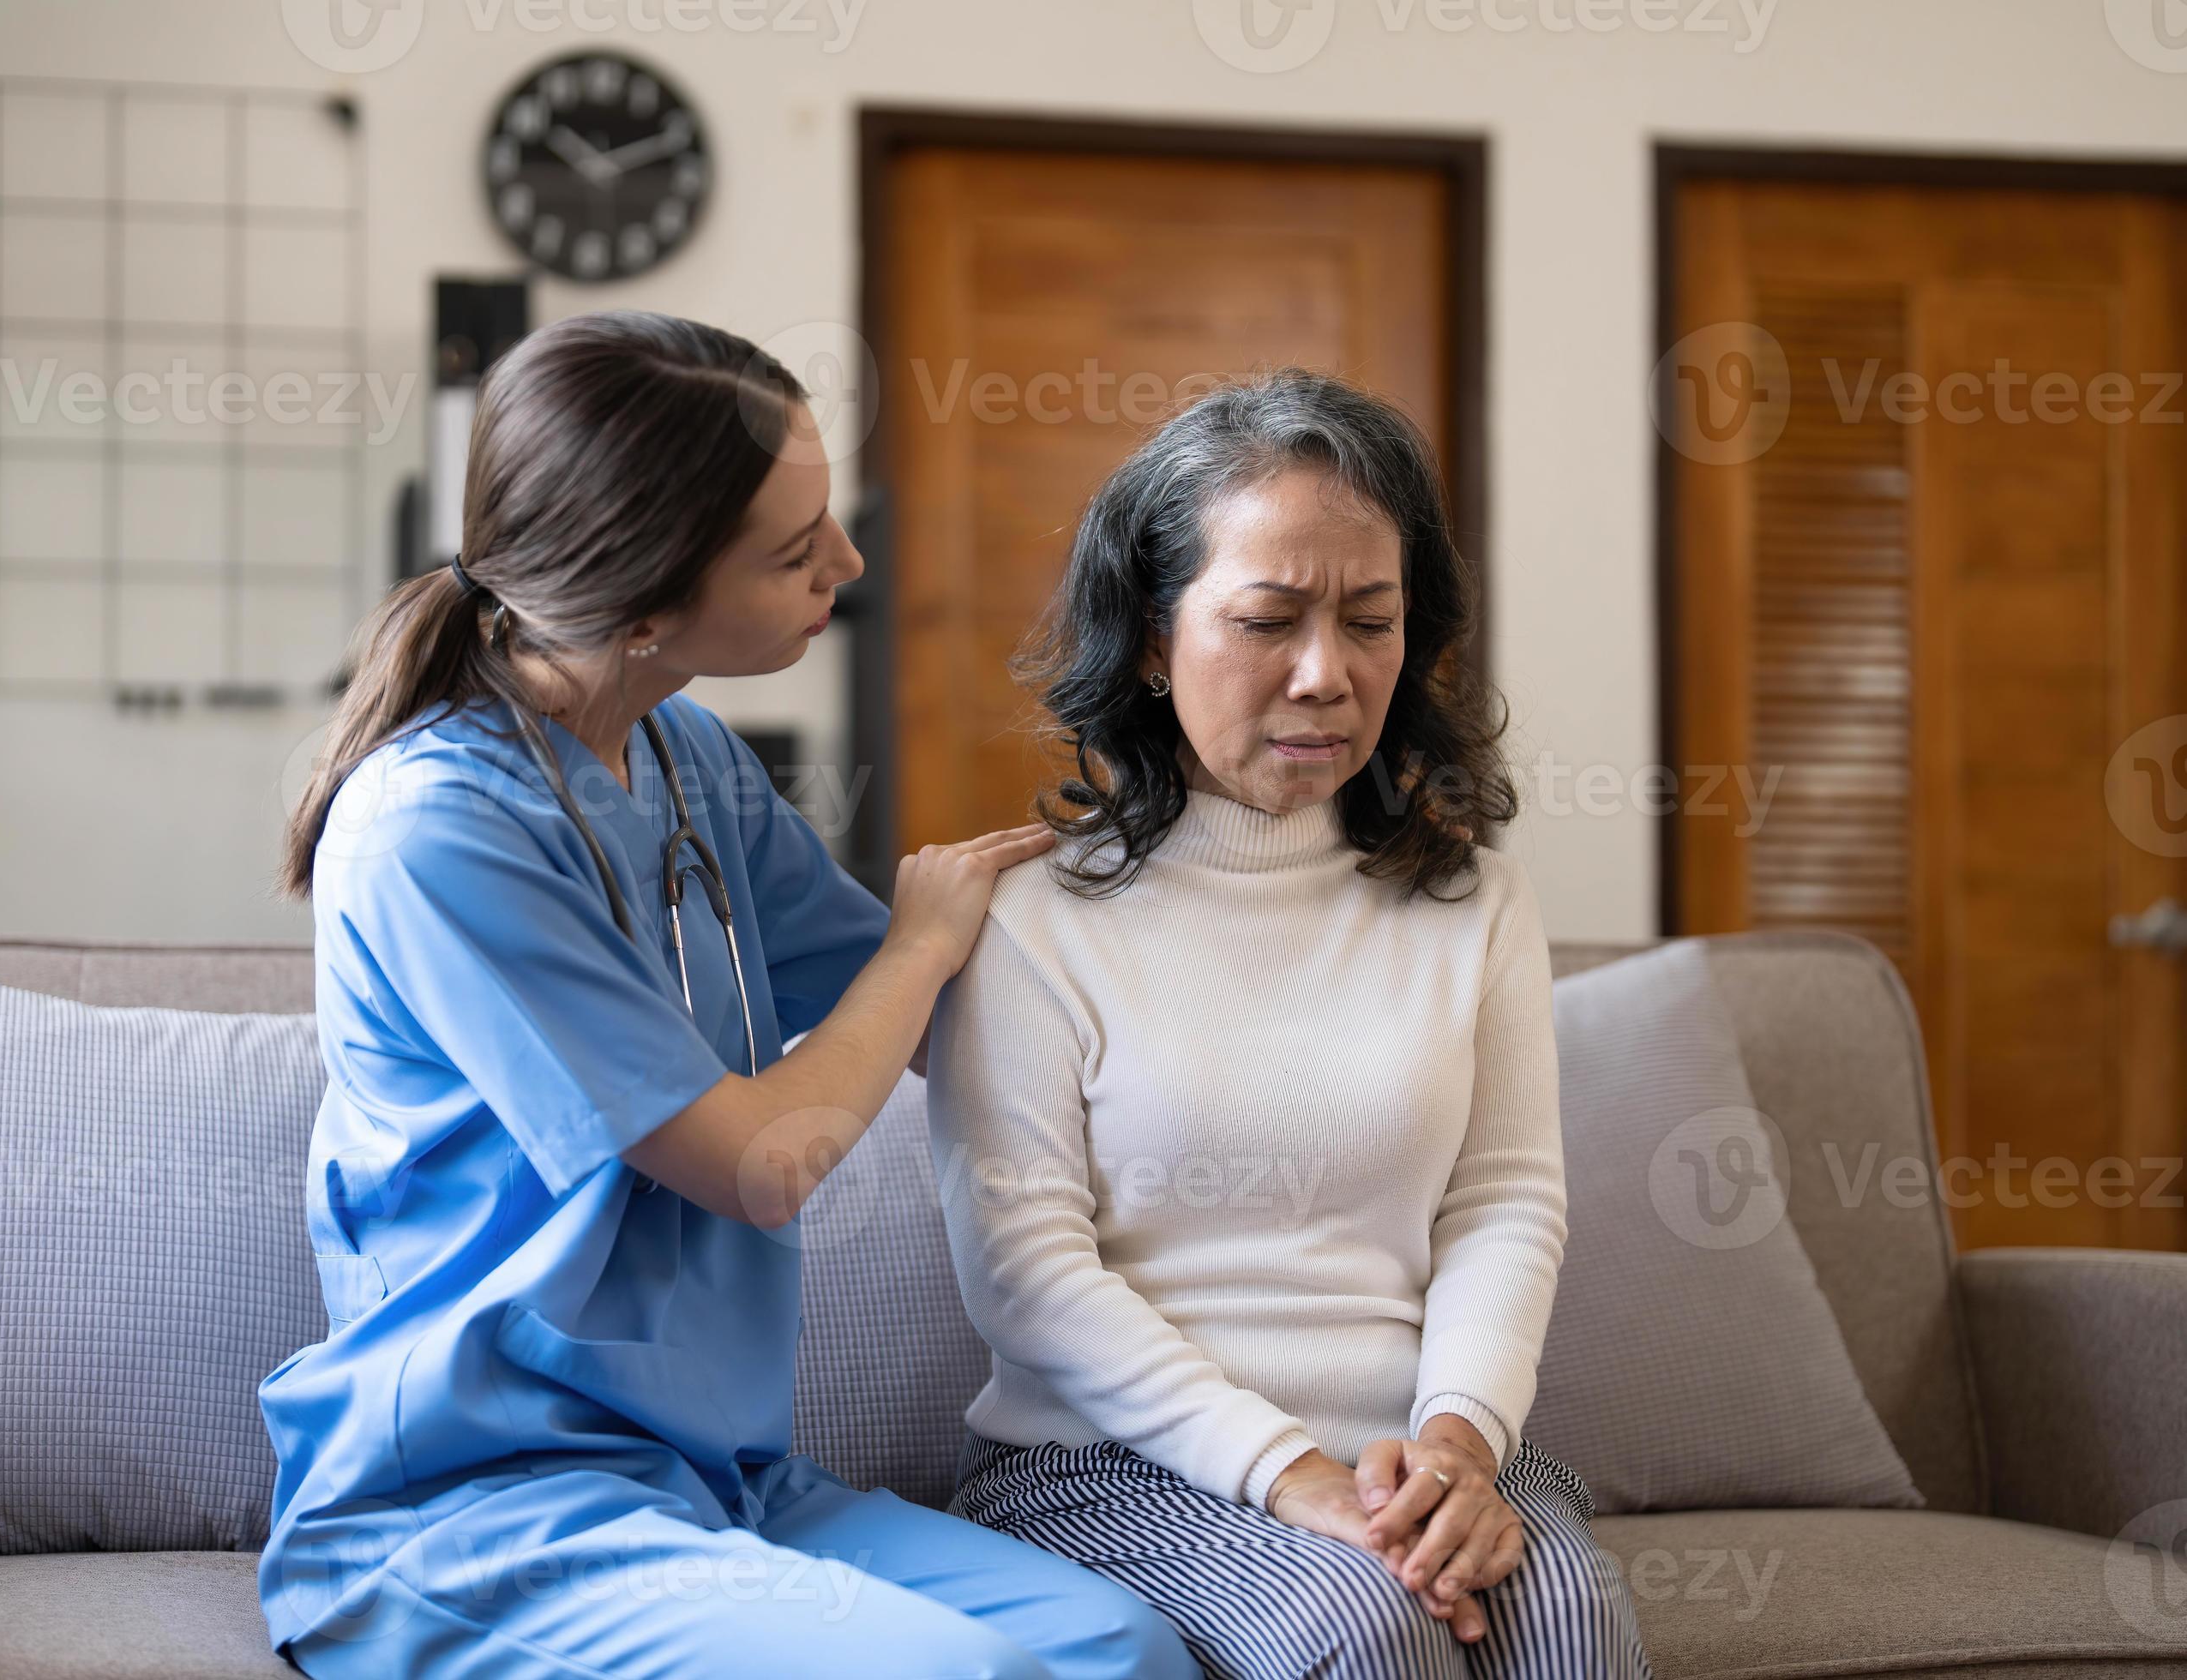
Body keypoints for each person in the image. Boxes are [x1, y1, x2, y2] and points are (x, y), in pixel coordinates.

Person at [257, 310, 1201, 1680]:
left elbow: (951, 1019)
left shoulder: (684, 752)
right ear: (642, 599)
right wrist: (921, 945)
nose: (849, 563)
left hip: (716, 1481)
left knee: (1123, 1649)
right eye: (793, 548)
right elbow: (761, 1162)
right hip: (475, 1515)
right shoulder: (434, 833)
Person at [928, 369, 1654, 1678]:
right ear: (1154, 638)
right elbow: (1029, 1275)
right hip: (1117, 1462)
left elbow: (1502, 1203)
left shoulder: (1473, 898)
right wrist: (1292, 1475)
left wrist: (1458, 1445)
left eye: (1371, 622)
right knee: (1362, 1621)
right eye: (1267, 620)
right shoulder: (1032, 919)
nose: (1327, 675)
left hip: (1411, 1449)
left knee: (1567, 1617)